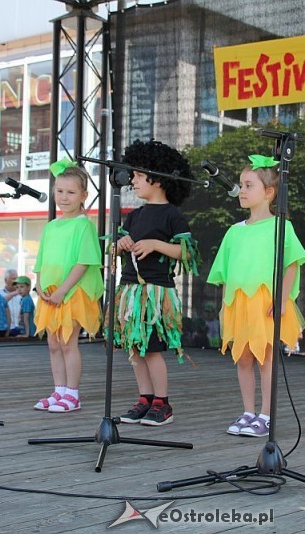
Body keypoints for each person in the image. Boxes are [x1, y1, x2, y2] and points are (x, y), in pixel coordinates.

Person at [207, 154, 305, 437]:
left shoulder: (281, 226)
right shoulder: (234, 232)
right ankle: (248, 412)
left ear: (269, 192)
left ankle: (266, 415)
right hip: (240, 304)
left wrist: (282, 299)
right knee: (244, 358)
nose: (241, 190)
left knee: (265, 357)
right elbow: (225, 274)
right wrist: (226, 306)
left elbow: (291, 263)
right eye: (241, 184)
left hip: (266, 303)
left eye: (248, 185)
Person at [113, 140, 200, 427]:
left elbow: (186, 252)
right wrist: (121, 243)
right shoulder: (133, 215)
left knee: (152, 348)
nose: (133, 181)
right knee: (135, 348)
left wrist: (155, 244)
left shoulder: (171, 215)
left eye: (138, 176)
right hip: (130, 291)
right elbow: (113, 249)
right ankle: (145, 398)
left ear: (158, 178)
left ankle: (162, 403)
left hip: (156, 292)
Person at [33, 160, 104, 413]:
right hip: (50, 293)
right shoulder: (51, 226)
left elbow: (84, 261)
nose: (64, 197)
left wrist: (64, 289)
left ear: (84, 195)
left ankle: (72, 394)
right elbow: (41, 260)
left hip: (72, 293)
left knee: (67, 342)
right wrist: (39, 285)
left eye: (71, 192)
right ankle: (58, 390)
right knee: (53, 343)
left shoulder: (83, 224)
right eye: (59, 191)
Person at [0, 269, 23, 336]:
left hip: (21, 331)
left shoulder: (22, 294)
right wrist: (12, 294)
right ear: (6, 280)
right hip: (5, 331)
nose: (16, 281)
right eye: (13, 279)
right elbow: (0, 303)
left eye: (17, 279)